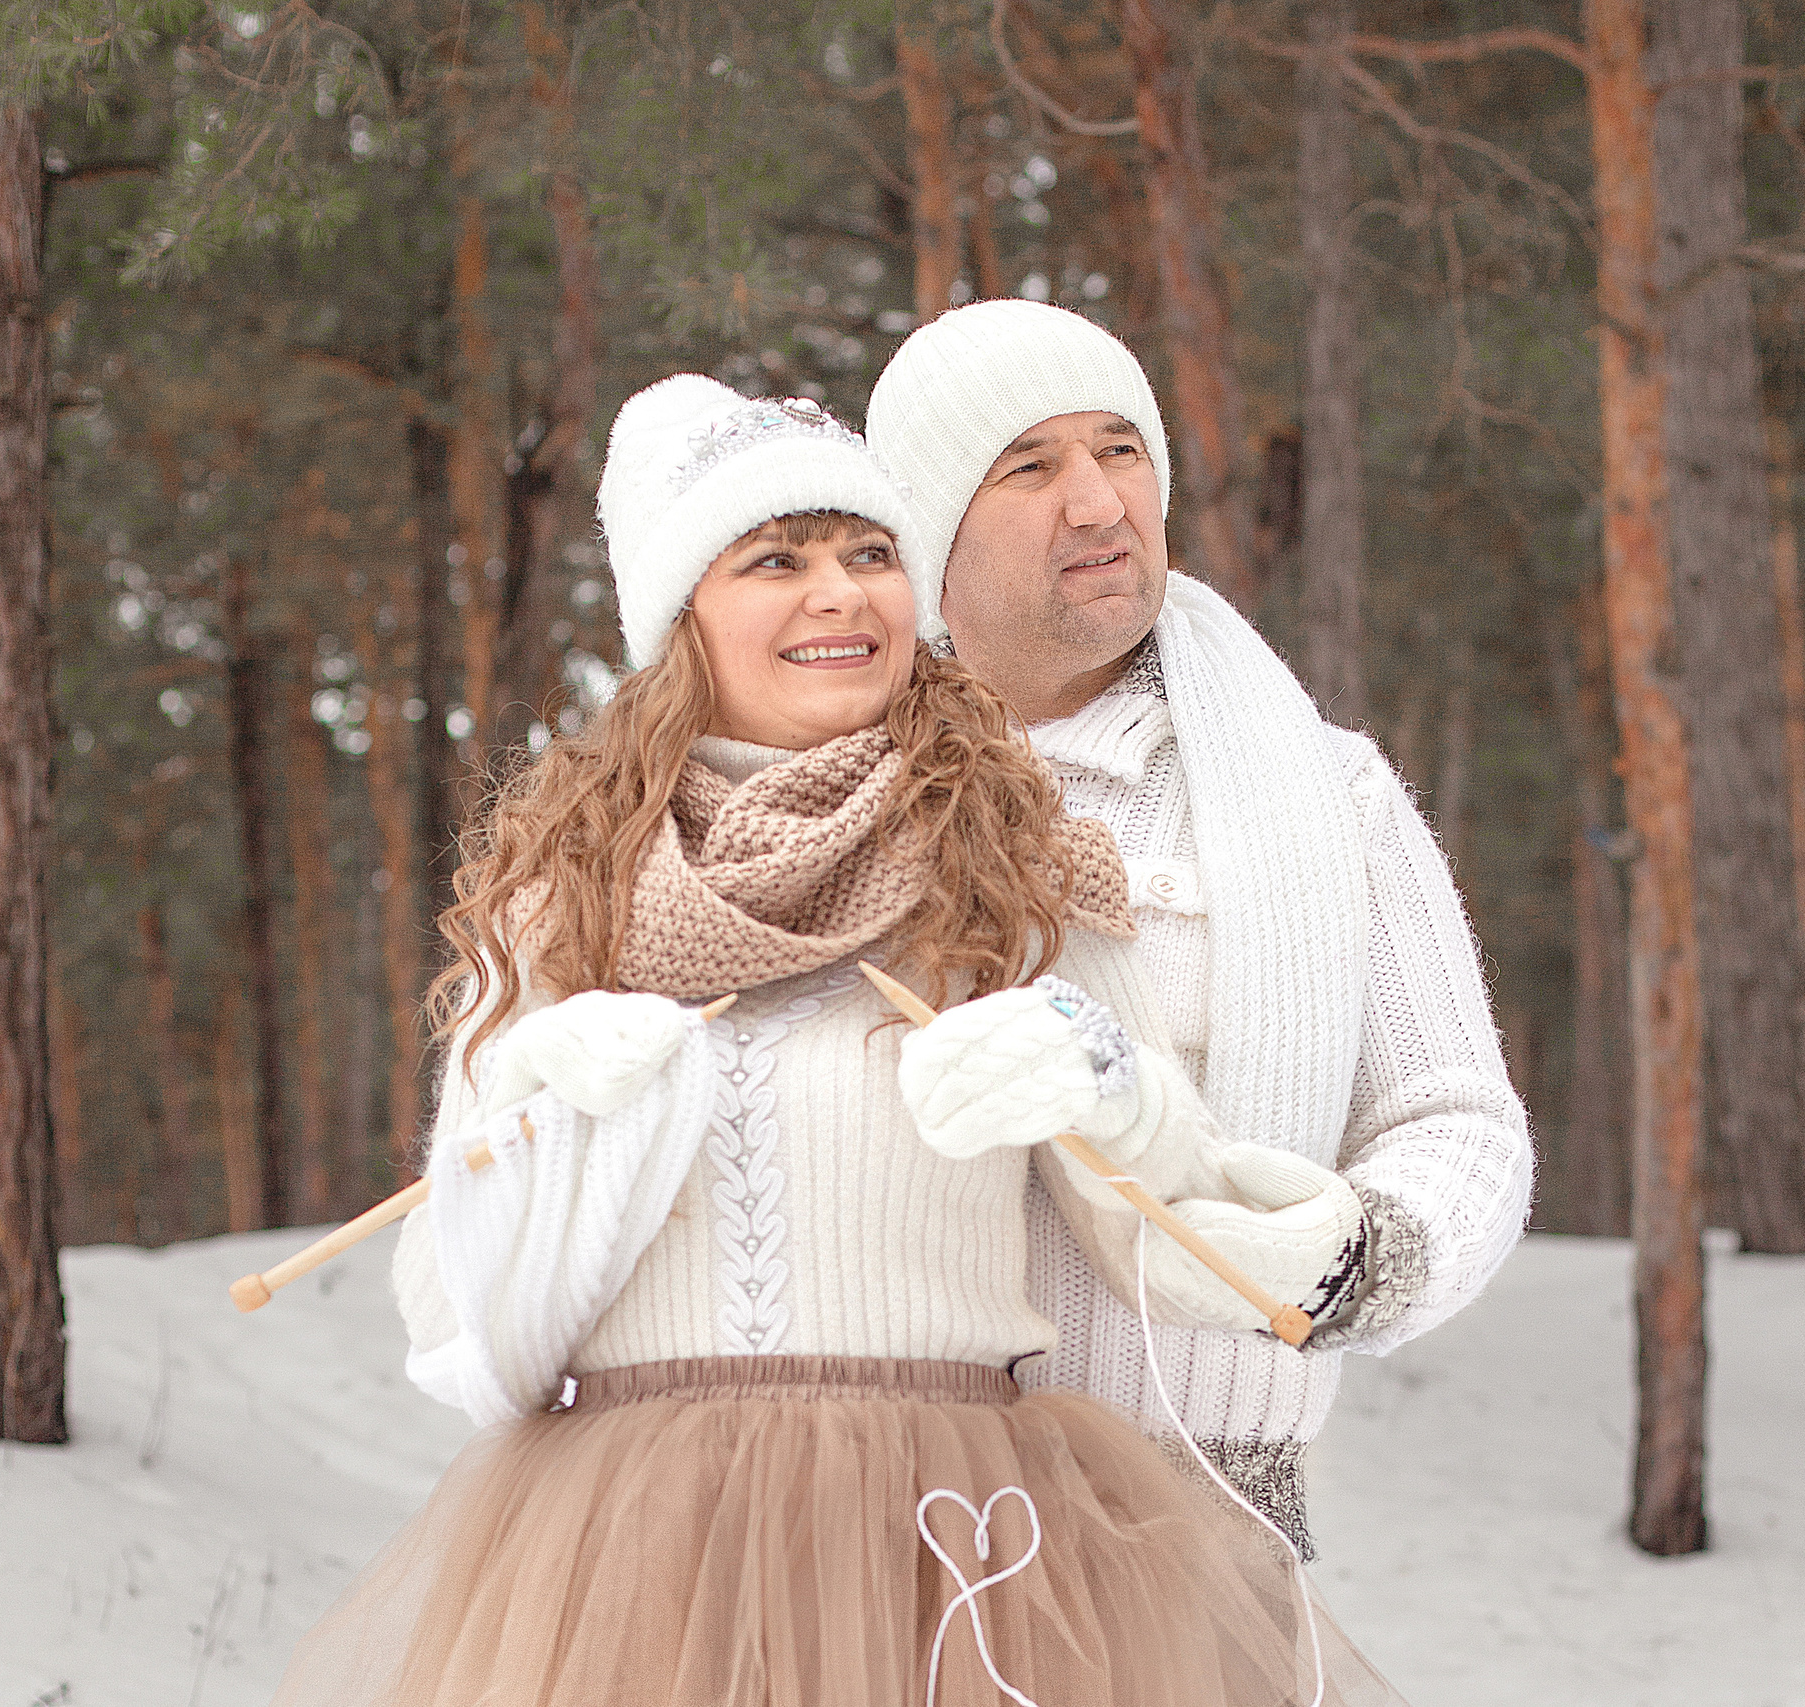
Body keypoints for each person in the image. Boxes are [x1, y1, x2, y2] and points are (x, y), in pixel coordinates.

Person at [271, 377, 1404, 1705]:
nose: (838, 593)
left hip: (958, 1545)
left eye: (870, 553)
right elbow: (446, 1320)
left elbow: (1165, 1242)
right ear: (682, 613)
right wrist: (532, 1119)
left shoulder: (1017, 860)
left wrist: (1112, 1089)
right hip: (637, 1559)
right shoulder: (562, 894)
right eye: (776, 560)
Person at [867, 299, 1537, 1556]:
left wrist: (1349, 1259)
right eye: (1030, 466)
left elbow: (1455, 1118)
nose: (1096, 502)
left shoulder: (1327, 792)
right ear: (929, 532)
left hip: (1201, 1520)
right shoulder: (835, 796)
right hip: (877, 1503)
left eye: (1120, 449)